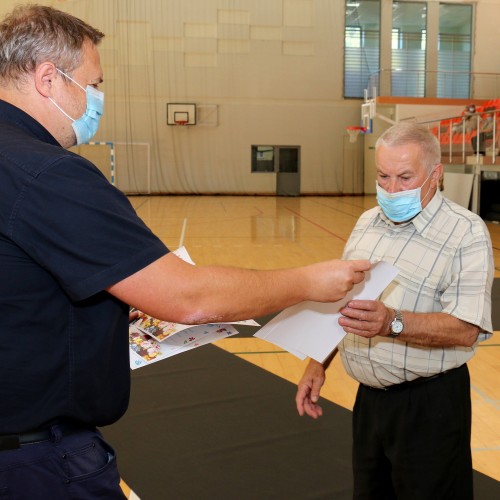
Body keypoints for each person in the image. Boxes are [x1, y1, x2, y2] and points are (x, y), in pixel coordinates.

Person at [0, 5, 370, 498]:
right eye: (93, 83)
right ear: (48, 78)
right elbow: (188, 297)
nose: (98, 98)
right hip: (35, 464)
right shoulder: (48, 173)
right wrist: (308, 282)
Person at [296, 122, 493, 499]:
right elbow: (345, 305)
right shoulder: (367, 222)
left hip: (430, 406)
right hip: (370, 403)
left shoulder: (466, 233)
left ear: (435, 175)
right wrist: (317, 362)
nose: (391, 189)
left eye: (405, 177)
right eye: (383, 176)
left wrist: (392, 322)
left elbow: (467, 328)